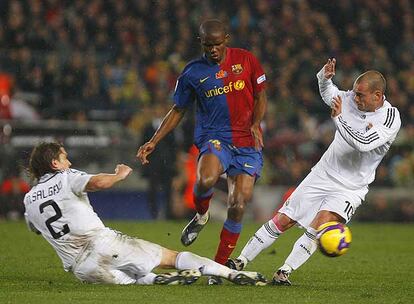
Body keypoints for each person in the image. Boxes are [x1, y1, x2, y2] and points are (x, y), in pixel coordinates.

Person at [226, 58, 401, 285]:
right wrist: (323, 77)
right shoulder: (349, 99)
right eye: (355, 93)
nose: (354, 98)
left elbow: (363, 143)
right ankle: (240, 262)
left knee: (319, 225)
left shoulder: (390, 118)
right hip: (323, 174)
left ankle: (284, 271)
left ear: (378, 96)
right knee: (283, 219)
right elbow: (329, 93)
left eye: (361, 95)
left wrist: (338, 120)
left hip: (350, 188)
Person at [24, 142, 267, 286]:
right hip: (102, 244)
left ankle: (155, 279)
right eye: (64, 157)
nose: (68, 161)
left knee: (135, 277)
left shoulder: (29, 199)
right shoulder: (66, 177)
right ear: (55, 164)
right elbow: (96, 183)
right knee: (171, 257)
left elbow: (35, 228)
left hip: (81, 270)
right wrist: (118, 175)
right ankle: (232, 273)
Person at [137, 19, 267, 285]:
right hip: (215, 139)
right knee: (205, 180)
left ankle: (218, 268)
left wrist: (255, 123)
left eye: (218, 44)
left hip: (246, 144)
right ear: (201, 43)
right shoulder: (192, 73)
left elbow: (261, 94)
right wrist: (154, 140)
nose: (214, 50)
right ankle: (201, 215)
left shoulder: (247, 60)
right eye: (209, 45)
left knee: (238, 205)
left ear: (227, 39)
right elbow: (178, 110)